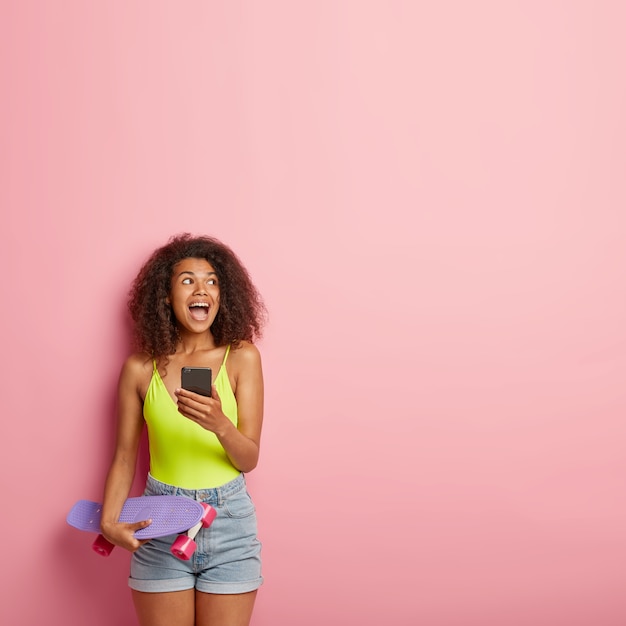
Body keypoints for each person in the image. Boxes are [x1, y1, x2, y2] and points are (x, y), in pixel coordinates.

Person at [100, 233, 267, 626]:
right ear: (166, 296)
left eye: (212, 280)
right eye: (188, 280)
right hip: (160, 519)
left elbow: (249, 459)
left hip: (229, 524)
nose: (202, 289)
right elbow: (124, 456)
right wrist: (109, 522)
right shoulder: (139, 369)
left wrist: (220, 425)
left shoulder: (242, 357)